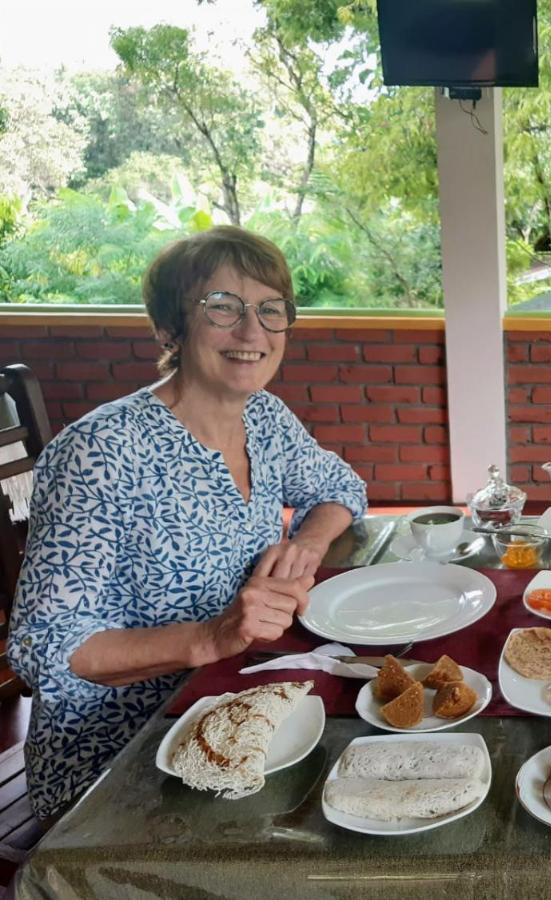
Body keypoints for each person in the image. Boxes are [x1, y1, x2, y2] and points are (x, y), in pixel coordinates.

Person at [10, 226, 367, 822]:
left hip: (238, 709)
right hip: (119, 758)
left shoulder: (265, 418)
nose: (252, 331)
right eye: (222, 308)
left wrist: (306, 543)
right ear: (169, 329)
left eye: (269, 310)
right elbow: (44, 648)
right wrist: (211, 637)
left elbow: (340, 489)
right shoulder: (100, 451)